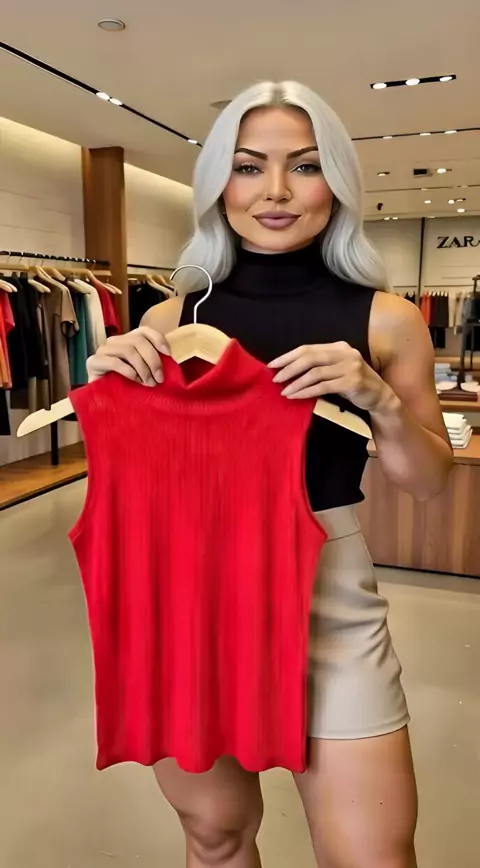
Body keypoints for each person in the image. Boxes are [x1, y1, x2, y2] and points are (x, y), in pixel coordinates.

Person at [86, 81, 452, 868]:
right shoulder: (169, 321)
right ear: (218, 183)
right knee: (215, 836)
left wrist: (379, 399)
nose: (276, 190)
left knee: (371, 856)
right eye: (249, 166)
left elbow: (428, 482)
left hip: (330, 599)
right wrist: (113, 392)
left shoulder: (387, 319)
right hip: (194, 596)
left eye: (306, 166)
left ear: (337, 182)